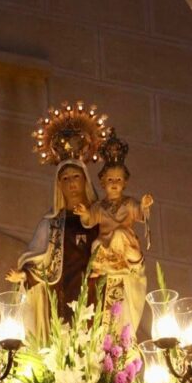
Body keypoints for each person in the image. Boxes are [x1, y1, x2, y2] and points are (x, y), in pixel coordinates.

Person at [8, 159, 100, 334]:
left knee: (94, 335)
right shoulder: (51, 224)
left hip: (94, 287)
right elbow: (40, 258)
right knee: (63, 334)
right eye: (65, 178)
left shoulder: (100, 219)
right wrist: (25, 274)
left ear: (85, 180)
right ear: (59, 185)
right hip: (61, 290)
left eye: (76, 176)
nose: (72, 182)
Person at [74, 133, 152, 331]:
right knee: (96, 244)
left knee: (119, 234)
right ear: (103, 183)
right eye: (110, 179)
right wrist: (84, 213)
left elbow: (141, 214)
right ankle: (107, 263)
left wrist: (144, 205)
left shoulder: (128, 203)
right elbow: (90, 221)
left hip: (124, 243)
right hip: (106, 246)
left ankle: (119, 262)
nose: (114, 183)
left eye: (118, 179)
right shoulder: (100, 207)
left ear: (125, 182)